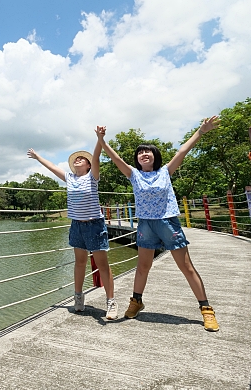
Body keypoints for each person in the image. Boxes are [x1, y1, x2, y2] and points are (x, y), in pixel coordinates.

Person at [95, 117, 221, 332]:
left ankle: (206, 310)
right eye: (140, 152)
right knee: (143, 266)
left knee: (186, 267)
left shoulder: (165, 172)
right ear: (136, 158)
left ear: (155, 156)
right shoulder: (133, 175)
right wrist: (101, 140)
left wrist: (200, 132)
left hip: (167, 223)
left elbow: (182, 152)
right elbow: (114, 157)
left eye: (148, 151)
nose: (144, 154)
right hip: (145, 224)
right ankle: (136, 301)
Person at [27, 136, 118, 319]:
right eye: (75, 159)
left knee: (102, 265)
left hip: (94, 225)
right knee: (80, 263)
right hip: (77, 225)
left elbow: (97, 157)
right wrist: (38, 158)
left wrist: (100, 139)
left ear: (88, 165)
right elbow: (53, 168)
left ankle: (111, 302)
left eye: (81, 159)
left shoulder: (92, 177)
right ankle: (78, 297)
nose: (77, 160)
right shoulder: (69, 178)